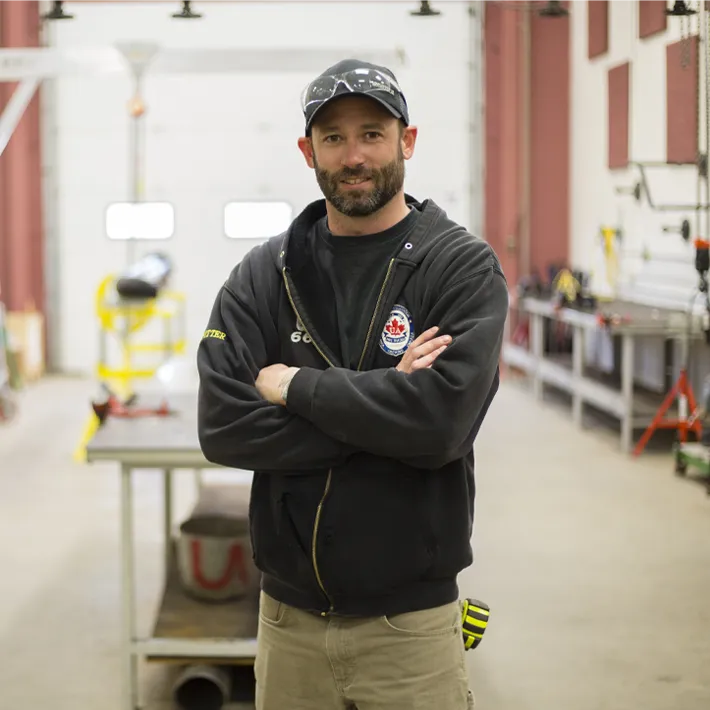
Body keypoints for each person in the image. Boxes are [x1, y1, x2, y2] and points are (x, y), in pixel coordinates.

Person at [197, 58, 508, 710]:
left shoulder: (459, 266)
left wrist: (295, 387)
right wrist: (381, 406)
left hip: (411, 627)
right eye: (334, 138)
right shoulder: (265, 273)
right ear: (309, 151)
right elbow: (224, 427)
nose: (354, 155)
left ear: (408, 141)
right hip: (288, 625)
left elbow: (437, 426)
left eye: (372, 132)